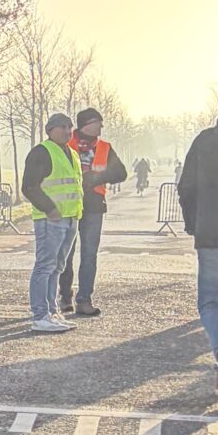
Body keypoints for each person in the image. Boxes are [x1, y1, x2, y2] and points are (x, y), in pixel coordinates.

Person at [177, 96, 218, 400]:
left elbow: (186, 187)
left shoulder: (205, 141)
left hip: (212, 231)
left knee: (211, 301)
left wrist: (193, 223)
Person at [20, 112, 84, 333]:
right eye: (62, 127)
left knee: (57, 267)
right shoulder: (41, 152)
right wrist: (50, 209)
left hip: (70, 218)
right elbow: (29, 186)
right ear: (50, 130)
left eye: (69, 127)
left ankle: (52, 312)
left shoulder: (72, 153)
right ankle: (40, 315)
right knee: (45, 266)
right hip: (51, 219)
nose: (67, 131)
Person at [60, 107, 126, 317]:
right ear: (86, 125)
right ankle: (64, 296)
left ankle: (84, 299)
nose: (101, 126)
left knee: (89, 255)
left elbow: (121, 173)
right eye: (98, 122)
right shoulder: (65, 144)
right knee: (65, 254)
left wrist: (97, 178)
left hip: (94, 207)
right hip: (68, 205)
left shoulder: (105, 147)